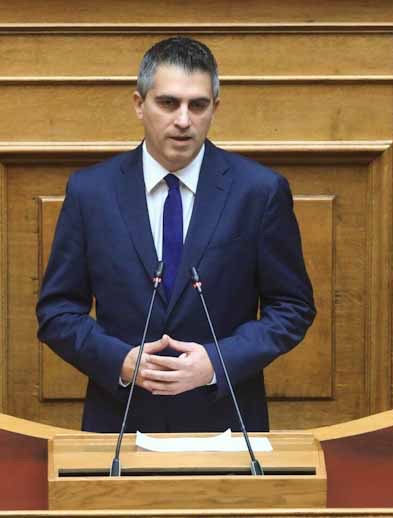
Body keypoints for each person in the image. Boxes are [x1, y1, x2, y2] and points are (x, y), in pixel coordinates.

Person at [36, 36, 315, 433]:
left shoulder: (258, 191)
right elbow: (57, 311)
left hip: (224, 423)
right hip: (119, 424)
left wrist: (217, 362)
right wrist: (120, 361)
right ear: (139, 104)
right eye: (168, 103)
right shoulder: (91, 192)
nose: (183, 120)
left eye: (197, 105)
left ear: (215, 108)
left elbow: (292, 307)